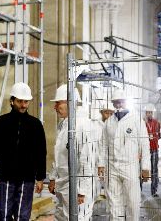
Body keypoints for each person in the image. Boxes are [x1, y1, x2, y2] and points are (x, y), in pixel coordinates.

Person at [0, 82, 47, 221]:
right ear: (12, 101)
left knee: (23, 217)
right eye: (20, 101)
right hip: (5, 179)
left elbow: (41, 153)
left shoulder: (35, 125)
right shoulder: (1, 123)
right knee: (4, 215)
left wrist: (40, 177)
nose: (23, 105)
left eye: (26, 102)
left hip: (27, 180)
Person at [98, 89, 150, 221]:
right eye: (115, 102)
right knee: (114, 203)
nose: (118, 105)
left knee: (133, 201)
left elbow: (144, 144)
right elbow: (103, 144)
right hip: (112, 167)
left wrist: (145, 167)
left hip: (130, 166)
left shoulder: (136, 120)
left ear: (126, 102)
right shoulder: (109, 122)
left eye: (120, 101)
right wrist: (101, 164)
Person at [49, 84, 96, 221]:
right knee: (61, 217)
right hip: (63, 183)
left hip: (76, 187)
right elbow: (58, 155)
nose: (55, 107)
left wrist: (82, 191)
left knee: (78, 218)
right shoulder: (64, 124)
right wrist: (52, 178)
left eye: (58, 103)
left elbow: (86, 160)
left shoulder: (83, 125)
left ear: (70, 102)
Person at [144, 103, 161, 197]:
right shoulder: (142, 123)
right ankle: (139, 189)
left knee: (154, 169)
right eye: (148, 112)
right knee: (142, 169)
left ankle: (154, 190)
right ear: (145, 113)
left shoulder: (157, 123)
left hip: (154, 149)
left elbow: (159, 136)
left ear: (152, 113)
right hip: (145, 150)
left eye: (150, 112)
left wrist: (153, 137)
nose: (149, 114)